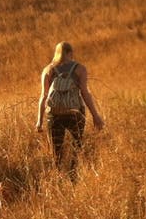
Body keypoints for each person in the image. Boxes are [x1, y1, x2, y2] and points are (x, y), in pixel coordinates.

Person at [36, 41, 105, 177]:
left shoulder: (48, 70)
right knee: (77, 146)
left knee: (56, 151)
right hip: (75, 113)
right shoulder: (80, 69)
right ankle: (73, 176)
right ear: (70, 53)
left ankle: (58, 177)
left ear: (56, 53)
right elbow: (85, 93)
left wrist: (39, 120)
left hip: (54, 115)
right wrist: (96, 116)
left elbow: (43, 96)